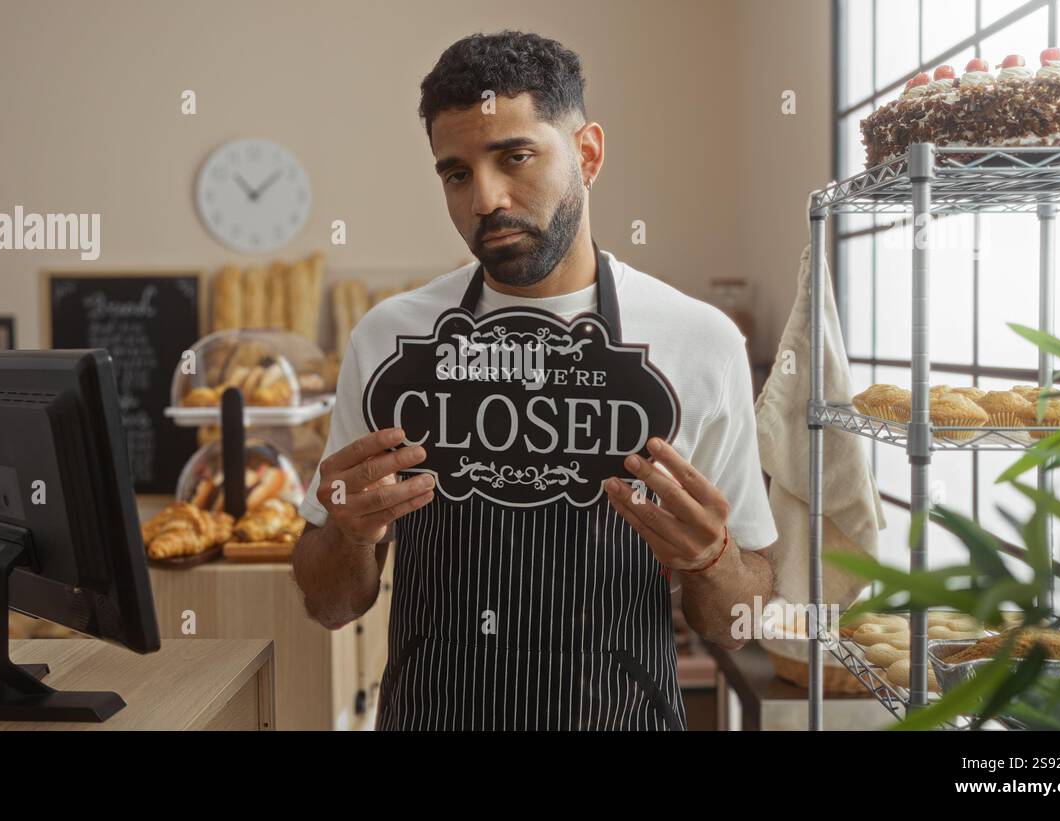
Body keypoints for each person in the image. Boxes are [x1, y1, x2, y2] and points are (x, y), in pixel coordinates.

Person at [293, 30, 777, 730]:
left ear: (587, 154)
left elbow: (738, 622)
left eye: (515, 156)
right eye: (456, 173)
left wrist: (712, 558)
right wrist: (347, 534)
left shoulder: (698, 343)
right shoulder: (389, 340)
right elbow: (328, 603)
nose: (485, 198)